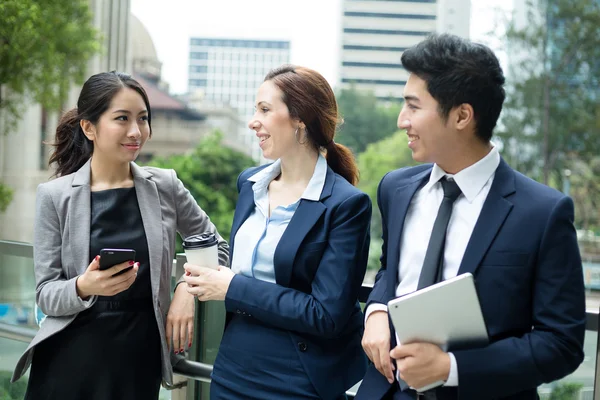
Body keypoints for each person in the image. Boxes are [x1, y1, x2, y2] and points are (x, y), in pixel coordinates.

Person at [356, 34, 586, 400]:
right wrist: (378, 311)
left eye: (414, 107)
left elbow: (562, 344)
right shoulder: (396, 189)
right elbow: (391, 269)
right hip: (386, 391)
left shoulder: (543, 213)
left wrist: (451, 369)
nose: (403, 120)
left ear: (462, 115)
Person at [11, 71, 229, 399]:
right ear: (89, 127)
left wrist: (185, 288)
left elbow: (216, 246)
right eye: (122, 118)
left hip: (136, 362)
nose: (135, 131)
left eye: (143, 119)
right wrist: (84, 286)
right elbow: (45, 293)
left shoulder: (165, 186)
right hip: (68, 362)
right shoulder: (55, 196)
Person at [183, 64, 372, 400]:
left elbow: (326, 314)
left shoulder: (346, 205)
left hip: (296, 378)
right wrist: (189, 284)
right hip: (231, 368)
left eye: (265, 110)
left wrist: (234, 288)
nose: (253, 120)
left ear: (300, 118)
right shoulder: (250, 183)